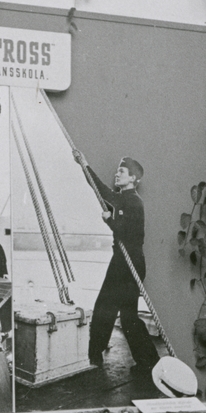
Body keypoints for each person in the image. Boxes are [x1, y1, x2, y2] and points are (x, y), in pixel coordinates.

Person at [72, 150, 159, 373]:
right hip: (123, 262)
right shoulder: (122, 198)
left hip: (129, 264)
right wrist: (84, 164)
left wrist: (109, 220)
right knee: (127, 317)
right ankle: (148, 362)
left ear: (133, 178)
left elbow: (129, 235)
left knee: (105, 308)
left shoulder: (135, 203)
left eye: (121, 171)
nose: (116, 174)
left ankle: (96, 355)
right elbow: (99, 188)